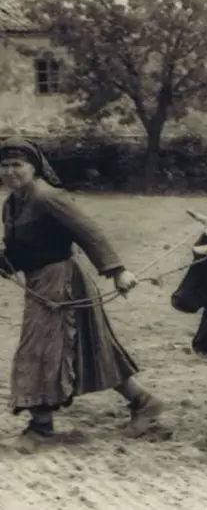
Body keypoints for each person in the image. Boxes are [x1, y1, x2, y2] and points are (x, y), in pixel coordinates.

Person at [0, 136, 164, 448]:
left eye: (17, 165)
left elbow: (89, 231)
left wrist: (117, 271)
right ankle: (144, 401)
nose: (10, 171)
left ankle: (41, 427)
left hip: (61, 284)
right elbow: (20, 250)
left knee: (39, 350)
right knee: (92, 348)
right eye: (4, 165)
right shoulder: (13, 203)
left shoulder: (47, 197)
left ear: (33, 168)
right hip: (39, 285)